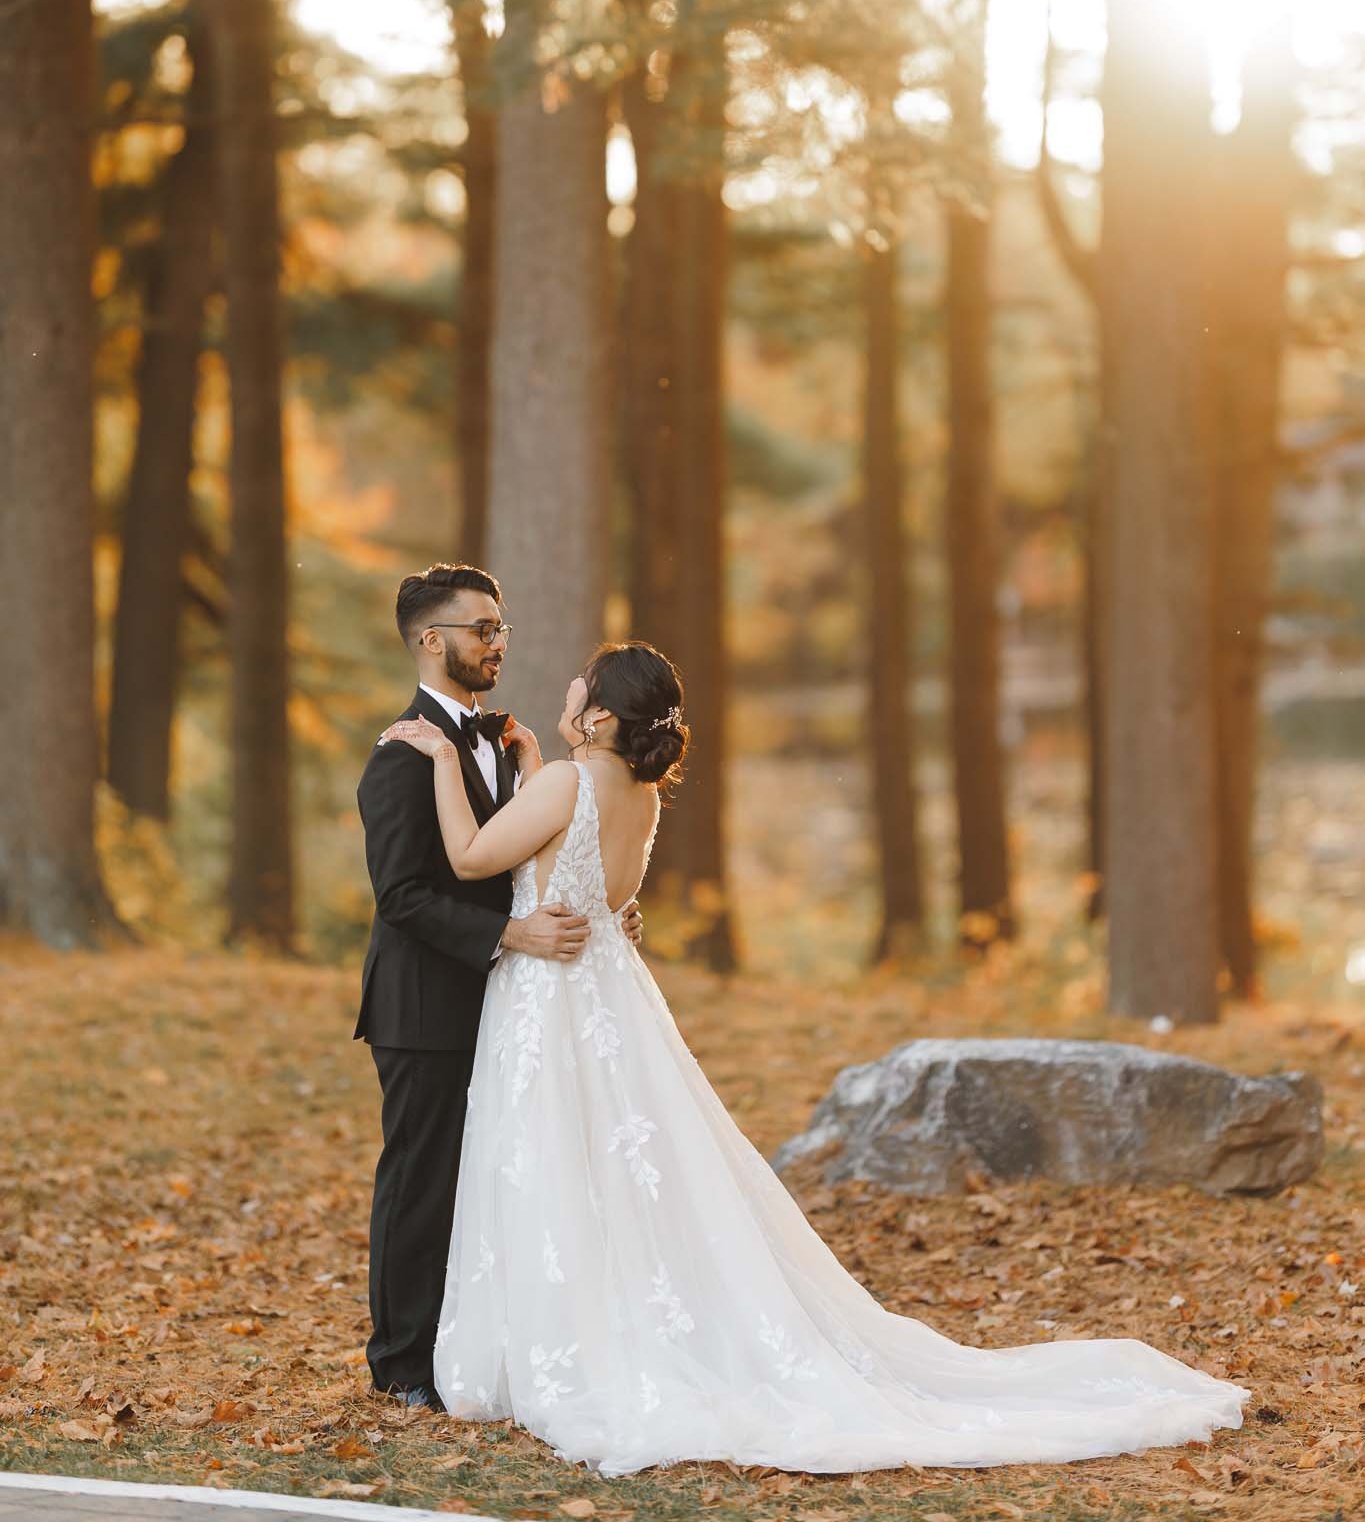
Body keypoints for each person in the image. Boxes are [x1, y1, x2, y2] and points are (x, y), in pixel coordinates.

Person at [380, 639, 1249, 1477]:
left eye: (579, 684)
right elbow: (581, 879)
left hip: (549, 997)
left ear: (600, 715)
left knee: (558, 1159)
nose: (565, 690)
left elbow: (470, 856)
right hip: (607, 991)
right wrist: (537, 768)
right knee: (616, 1161)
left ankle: (561, 1339)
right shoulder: (635, 794)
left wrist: (444, 766)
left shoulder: (569, 781)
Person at [354, 563, 642, 1408]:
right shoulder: (402, 753)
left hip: (512, 1000)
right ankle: (402, 1366)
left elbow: (537, 856)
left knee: (493, 1176)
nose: (497, 642)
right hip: (425, 1004)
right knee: (424, 1180)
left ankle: (478, 1348)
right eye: (481, 629)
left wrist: (593, 910)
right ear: (430, 640)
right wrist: (509, 934)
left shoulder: (504, 744)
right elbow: (402, 894)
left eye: (501, 627)